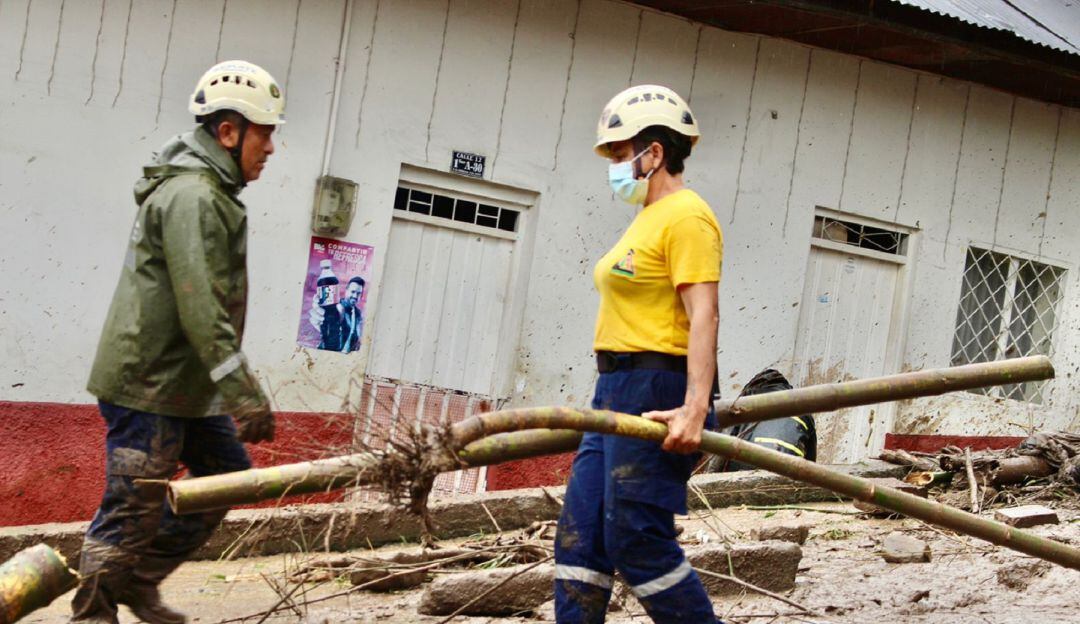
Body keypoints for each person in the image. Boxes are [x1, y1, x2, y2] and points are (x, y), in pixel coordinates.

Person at [73, 60, 285, 624]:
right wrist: (243, 393)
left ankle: (136, 584)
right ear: (228, 132)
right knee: (131, 507)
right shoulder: (193, 196)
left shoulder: (211, 193)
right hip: (149, 383)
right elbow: (200, 306)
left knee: (222, 480)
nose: (270, 149)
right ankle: (91, 614)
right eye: (265, 135)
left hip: (182, 384)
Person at [553, 85, 724, 623]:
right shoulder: (647, 218)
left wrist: (696, 407)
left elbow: (705, 314)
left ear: (654, 153)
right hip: (613, 389)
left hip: (656, 388)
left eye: (621, 154)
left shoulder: (687, 217)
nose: (615, 166)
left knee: (636, 538)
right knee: (581, 540)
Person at [308, 275, 365, 353]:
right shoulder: (337, 307)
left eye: (358, 293)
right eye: (353, 292)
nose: (355, 296)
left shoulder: (358, 314)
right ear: (346, 290)